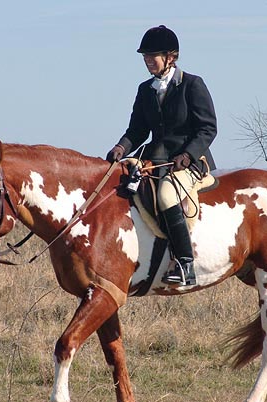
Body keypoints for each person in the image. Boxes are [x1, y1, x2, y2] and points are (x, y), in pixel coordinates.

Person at [106, 25, 217, 286]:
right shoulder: (145, 89)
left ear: (170, 57)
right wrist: (121, 147)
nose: (147, 61)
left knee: (167, 195)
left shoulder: (192, 84)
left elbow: (208, 128)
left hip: (190, 161)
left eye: (152, 56)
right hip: (155, 159)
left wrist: (188, 155)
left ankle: (185, 263)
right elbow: (137, 131)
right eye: (145, 56)